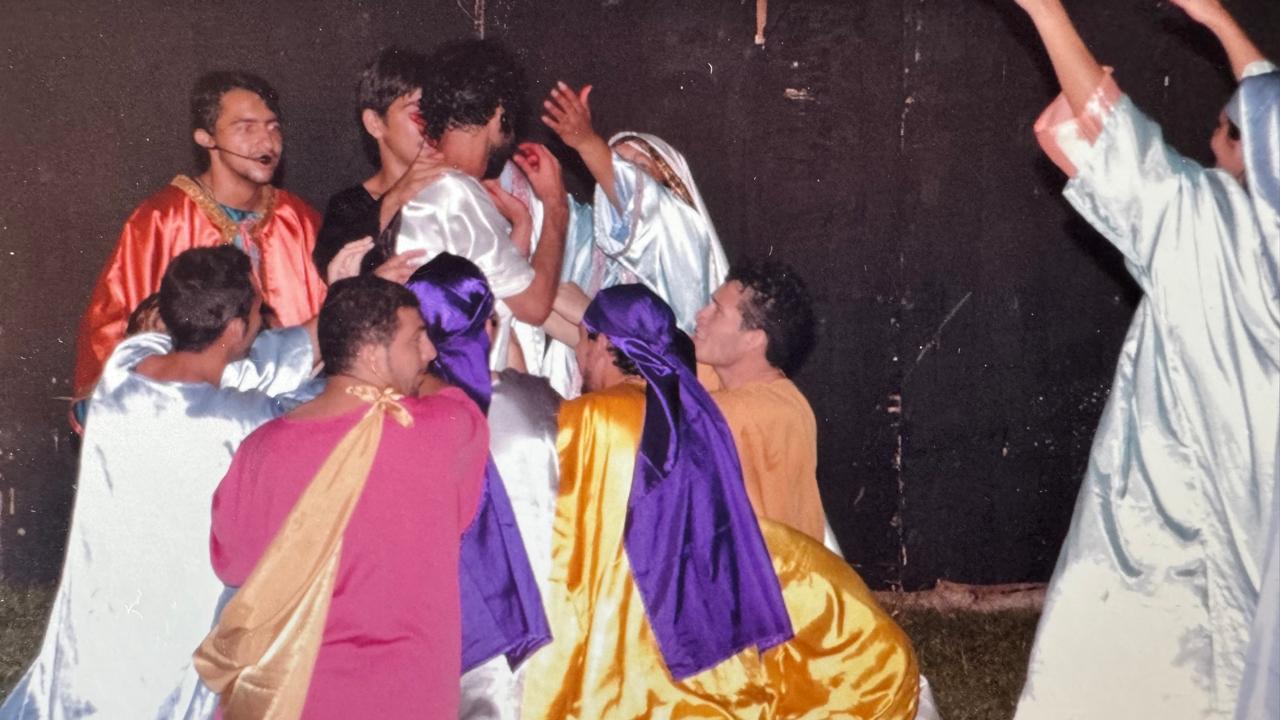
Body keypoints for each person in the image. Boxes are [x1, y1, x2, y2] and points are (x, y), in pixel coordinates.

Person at [1009, 0, 1279, 717]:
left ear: (1248, 149)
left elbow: (1114, 129)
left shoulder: (1210, 225)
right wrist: (1219, 22)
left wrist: (1046, 13)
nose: (1216, 130)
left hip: (1183, 500)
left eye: (1227, 124)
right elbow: (1273, 113)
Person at [521, 285, 919, 719]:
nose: (701, 314)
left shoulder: (611, 417)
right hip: (732, 596)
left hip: (671, 609)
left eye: (717, 308)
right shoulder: (694, 409)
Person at [1, 246, 318, 720]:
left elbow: (240, 364)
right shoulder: (239, 422)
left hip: (94, 638)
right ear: (236, 330)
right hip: (172, 641)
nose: (263, 319)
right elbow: (303, 396)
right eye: (258, 312)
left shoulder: (125, 368)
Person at [195, 274, 489, 719]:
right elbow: (460, 409)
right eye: (416, 339)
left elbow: (232, 563)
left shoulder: (260, 451)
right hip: (408, 697)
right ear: (372, 354)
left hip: (296, 697)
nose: (430, 353)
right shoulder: (443, 429)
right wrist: (408, 386)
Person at [73, 71, 326, 400]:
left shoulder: (301, 221)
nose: (268, 143)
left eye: (273, 127)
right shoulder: (162, 221)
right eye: (246, 128)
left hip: (288, 413)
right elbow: (111, 329)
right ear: (206, 138)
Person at [405, 255, 561, 719]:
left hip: (454, 639)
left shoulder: (401, 420)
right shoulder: (538, 401)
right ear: (487, 327)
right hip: (550, 625)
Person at [394, 39, 568, 366]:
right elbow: (534, 306)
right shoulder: (455, 192)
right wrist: (556, 206)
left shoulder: (428, 183)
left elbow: (496, 286)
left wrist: (522, 224)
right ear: (499, 111)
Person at [542, 82, 729, 334]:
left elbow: (647, 204)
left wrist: (586, 142)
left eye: (637, 168)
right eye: (617, 163)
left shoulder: (682, 227)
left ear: (670, 183)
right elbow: (556, 216)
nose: (623, 173)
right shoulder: (595, 233)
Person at [692, 258, 831, 546]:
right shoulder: (721, 375)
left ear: (753, 339)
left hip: (766, 572)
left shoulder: (749, 412)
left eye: (717, 311)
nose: (700, 315)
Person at [312, 47, 442, 284]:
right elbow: (336, 272)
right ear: (375, 123)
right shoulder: (348, 206)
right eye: (418, 111)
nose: (432, 123)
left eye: (438, 110)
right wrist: (399, 193)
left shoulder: (456, 189)